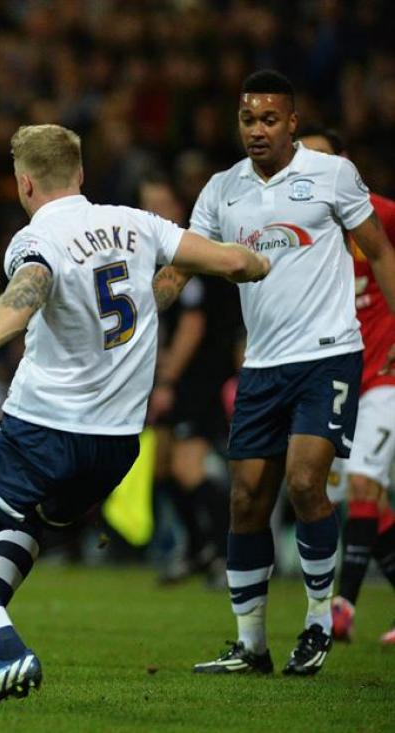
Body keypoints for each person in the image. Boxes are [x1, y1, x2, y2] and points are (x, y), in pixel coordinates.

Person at [0, 123, 269, 708]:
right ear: (81, 174)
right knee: (31, 521)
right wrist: (261, 259)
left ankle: (8, 652)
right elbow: (239, 264)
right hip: (115, 446)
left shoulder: (36, 237)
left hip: (44, 429)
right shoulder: (140, 225)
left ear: (25, 182)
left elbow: (30, 289)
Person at [157, 70, 395, 676]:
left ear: (291, 123)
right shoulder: (221, 189)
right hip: (262, 364)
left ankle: (318, 623)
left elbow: (383, 250)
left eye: (269, 119)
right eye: (247, 120)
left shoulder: (332, 176)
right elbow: (182, 267)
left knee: (307, 481)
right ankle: (251, 644)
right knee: (244, 500)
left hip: (327, 354)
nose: (257, 130)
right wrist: (133, 310)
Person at [297, 127, 395, 645]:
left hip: (386, 372)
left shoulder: (376, 213)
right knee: (356, 499)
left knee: (362, 485)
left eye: (319, 160)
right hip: (336, 375)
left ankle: (344, 607)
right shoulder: (301, 226)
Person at [140, 176, 235, 588]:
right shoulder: (152, 253)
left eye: (162, 202)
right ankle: (198, 549)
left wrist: (166, 380)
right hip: (175, 377)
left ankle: (227, 554)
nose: (155, 212)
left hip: (197, 377)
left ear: (179, 207)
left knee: (186, 466)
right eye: (148, 205)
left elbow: (192, 326)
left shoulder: (186, 254)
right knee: (162, 467)